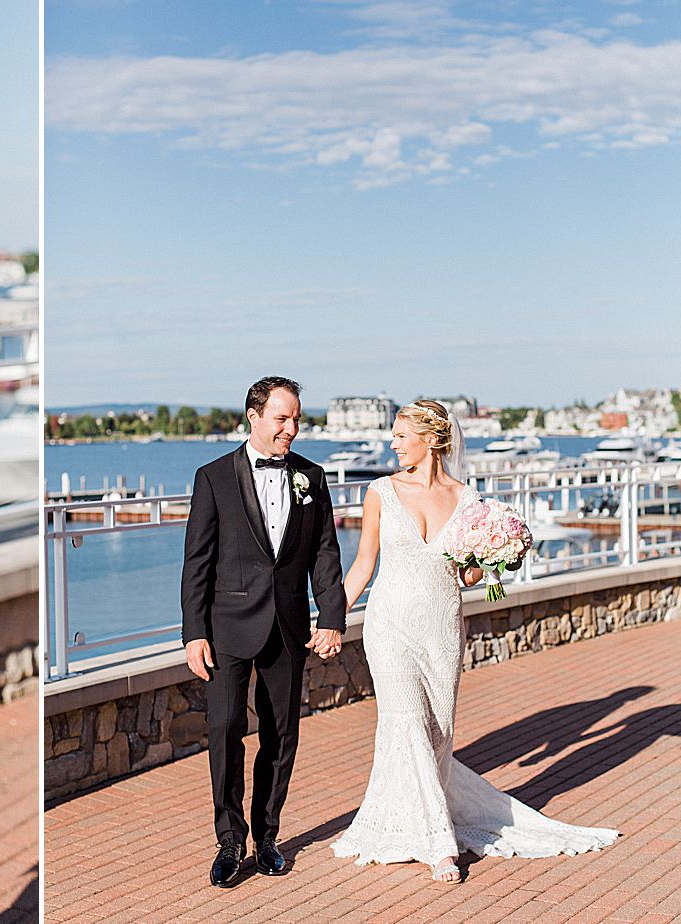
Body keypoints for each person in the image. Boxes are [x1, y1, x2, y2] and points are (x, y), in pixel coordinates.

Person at [331, 400, 617, 883]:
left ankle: (411, 816)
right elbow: (363, 565)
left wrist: (497, 557)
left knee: (438, 732)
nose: (393, 443)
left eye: (401, 435)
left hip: (442, 627)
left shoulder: (468, 500)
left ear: (432, 439)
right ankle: (437, 843)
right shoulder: (380, 491)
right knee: (404, 722)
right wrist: (329, 619)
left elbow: (464, 576)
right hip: (390, 625)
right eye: (393, 435)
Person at [180, 375, 347, 888]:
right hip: (226, 626)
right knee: (226, 731)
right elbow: (197, 561)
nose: (291, 429)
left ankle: (267, 835)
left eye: (296, 418)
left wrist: (333, 617)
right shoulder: (212, 477)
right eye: (282, 419)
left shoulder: (311, 478)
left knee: (281, 736)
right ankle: (229, 842)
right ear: (253, 416)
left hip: (289, 625)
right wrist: (194, 632)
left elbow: (325, 553)